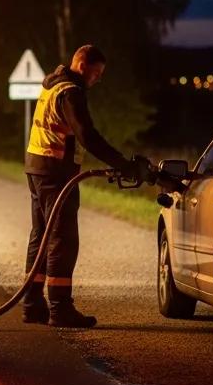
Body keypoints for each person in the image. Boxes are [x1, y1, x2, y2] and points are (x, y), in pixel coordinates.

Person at [23, 44, 142, 328]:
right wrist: (122, 164)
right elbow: (87, 136)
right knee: (63, 239)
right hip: (56, 172)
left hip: (37, 167)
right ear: (82, 66)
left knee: (41, 236)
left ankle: (32, 304)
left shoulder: (52, 84)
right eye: (96, 73)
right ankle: (60, 308)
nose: (98, 79)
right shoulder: (70, 92)